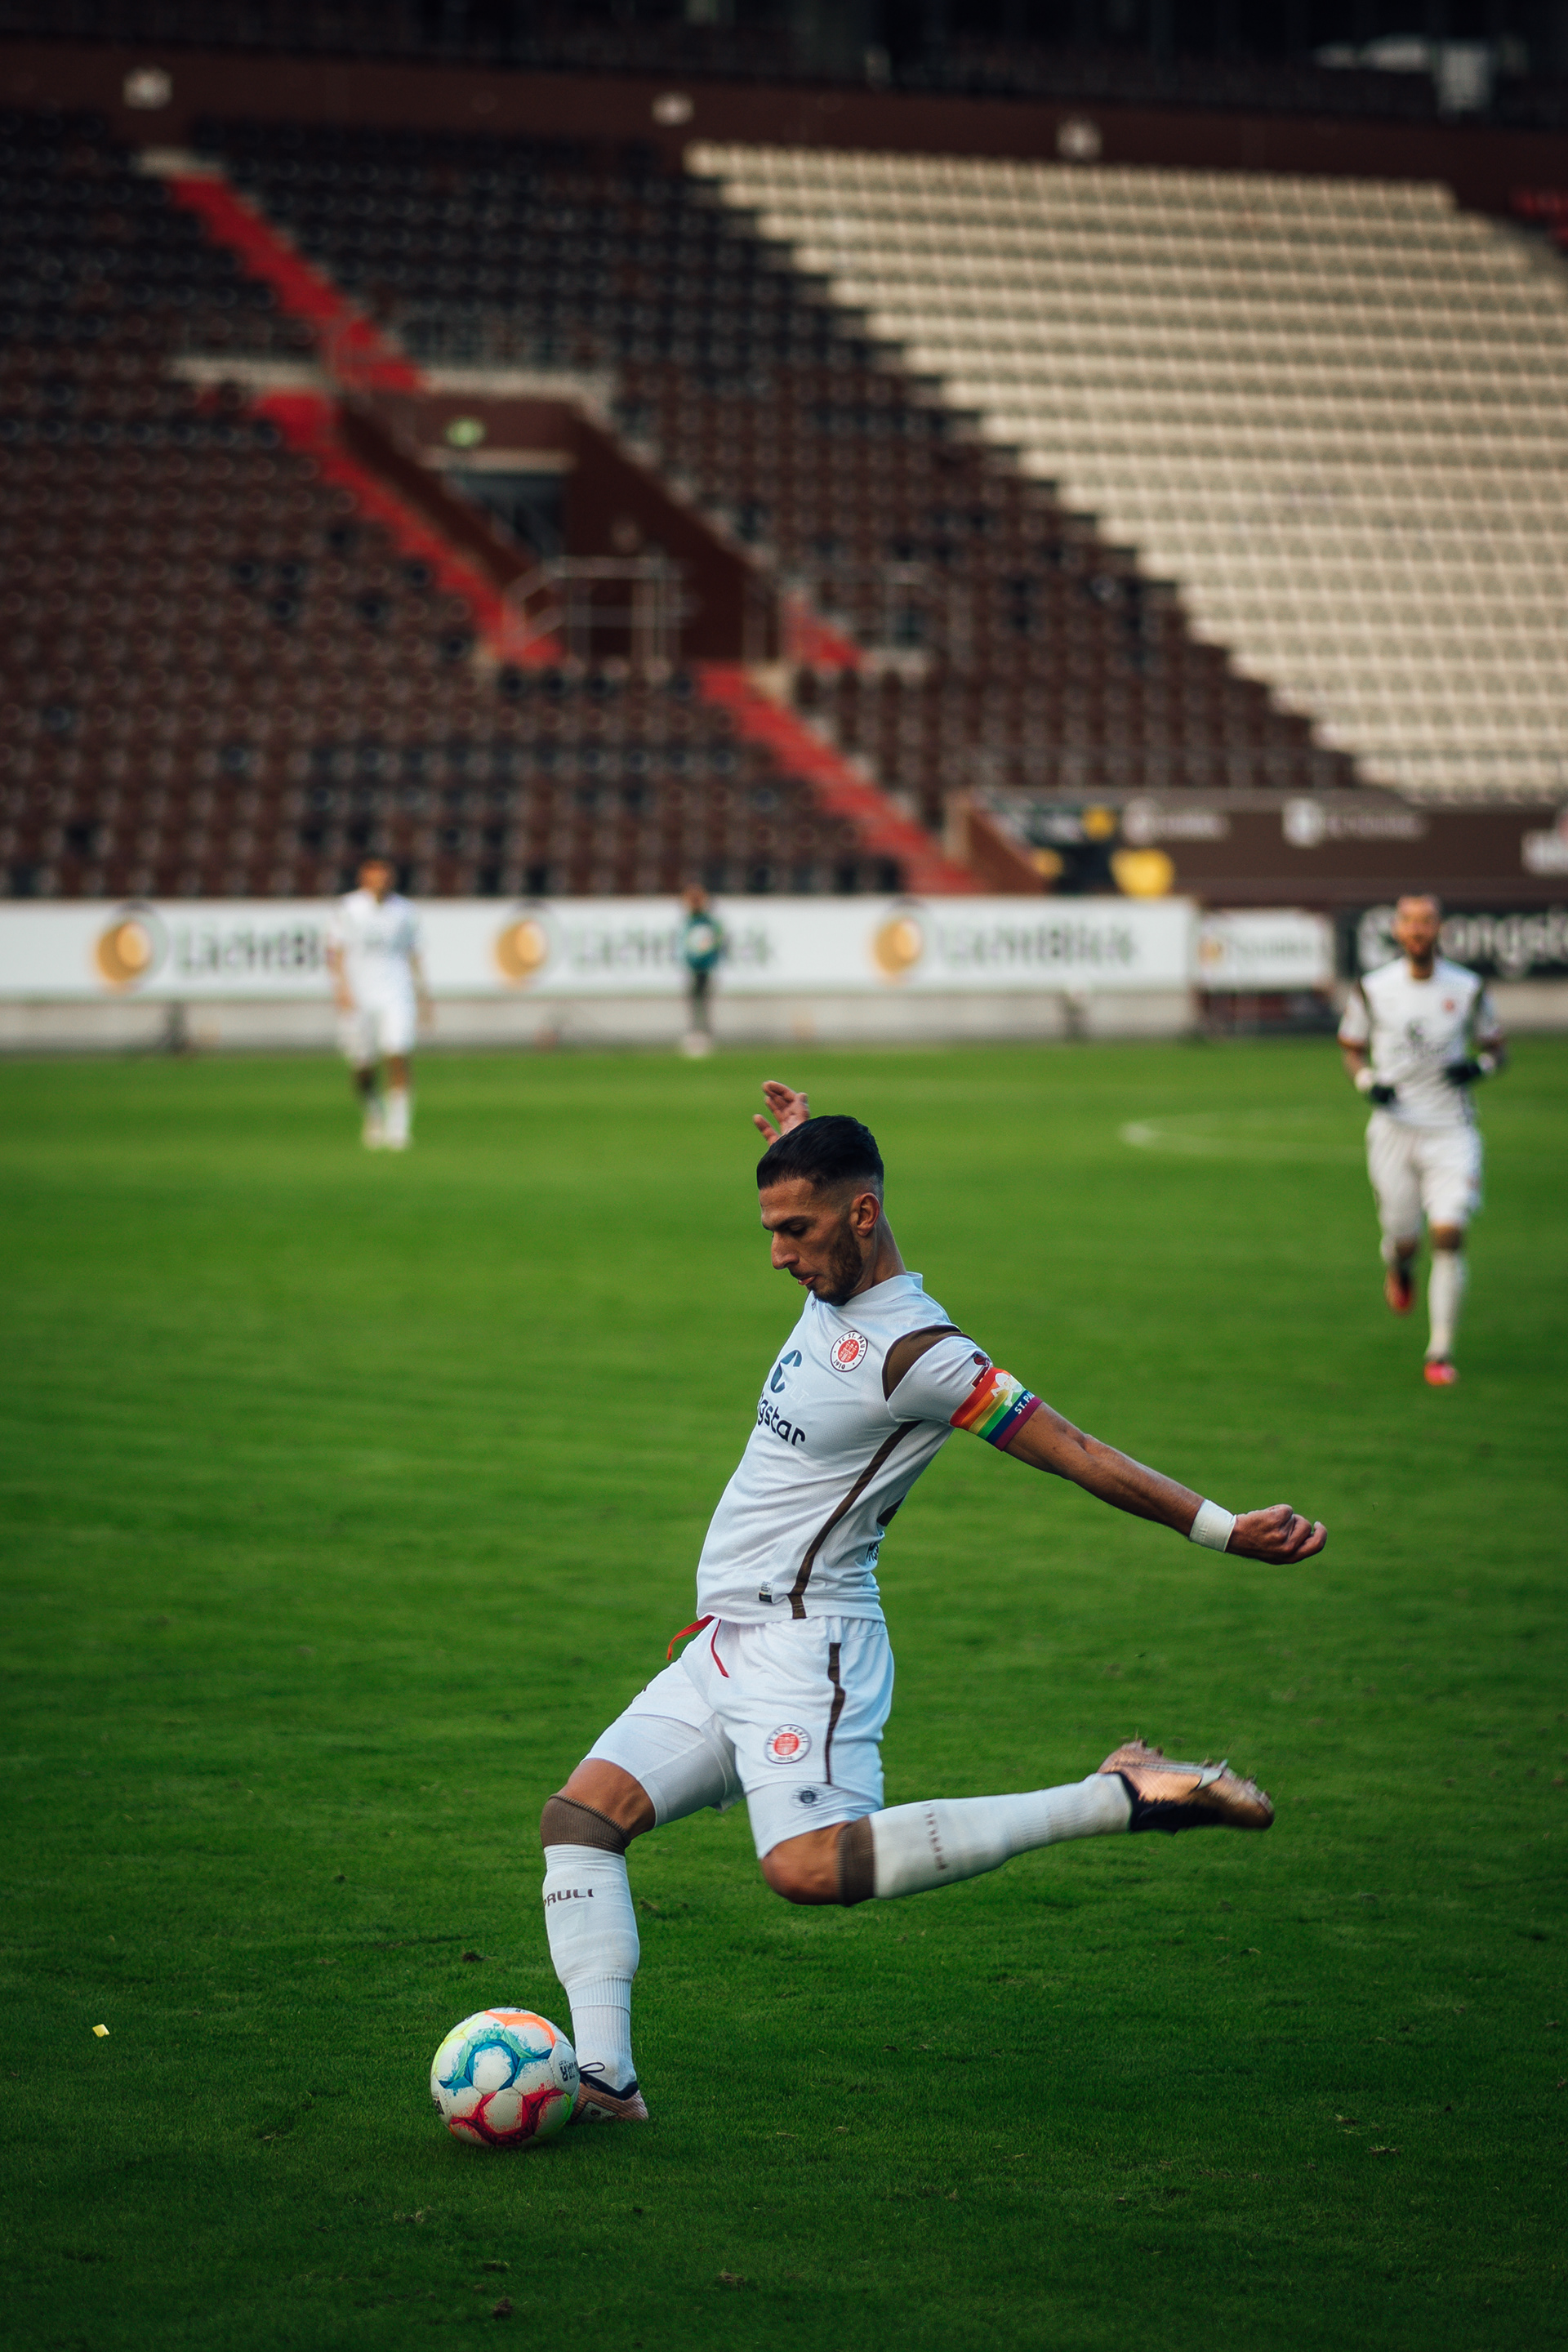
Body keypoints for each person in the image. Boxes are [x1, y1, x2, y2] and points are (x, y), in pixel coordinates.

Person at [540, 1082, 1326, 2125]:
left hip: (806, 1647)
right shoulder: (834, 1295)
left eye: (798, 1229)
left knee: (809, 1870)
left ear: (862, 1216)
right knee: (581, 1821)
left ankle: (1126, 1795)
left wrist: (1224, 1526)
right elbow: (825, 1254)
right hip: (725, 1645)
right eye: (772, 1229)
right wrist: (800, 1150)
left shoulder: (924, 1356)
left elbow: (1074, 1451)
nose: (779, 1254)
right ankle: (607, 2083)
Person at [1338, 894, 1506, 1386]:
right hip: (1394, 1132)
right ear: (1397, 928)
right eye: (1409, 921)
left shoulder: (1468, 988)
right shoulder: (1373, 988)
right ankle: (1400, 1266)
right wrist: (1368, 1081)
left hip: (1451, 1130)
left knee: (1449, 1234)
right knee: (1404, 1238)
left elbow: (1498, 1049)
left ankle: (1440, 1351)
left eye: (1426, 922)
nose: (1417, 930)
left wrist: (1480, 1066)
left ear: (1438, 929)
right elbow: (1350, 1047)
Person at [325, 858, 432, 1151]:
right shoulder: (348, 909)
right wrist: (342, 989)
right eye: (375, 876)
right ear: (363, 878)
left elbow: (414, 953)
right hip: (359, 993)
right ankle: (373, 1113)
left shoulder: (406, 911)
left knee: (398, 1053)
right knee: (363, 1064)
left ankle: (398, 1128)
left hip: (396, 991)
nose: (381, 881)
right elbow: (334, 951)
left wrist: (424, 995)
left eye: (385, 876)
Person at [679, 885, 724, 1059]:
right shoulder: (691, 921)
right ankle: (696, 1033)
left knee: (702, 1001)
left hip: (704, 967)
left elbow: (711, 944)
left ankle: (703, 1035)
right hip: (695, 967)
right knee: (696, 1001)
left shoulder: (706, 922)